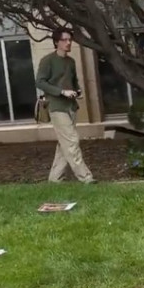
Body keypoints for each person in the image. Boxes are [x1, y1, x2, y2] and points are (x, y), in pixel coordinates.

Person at [36, 28, 95, 184]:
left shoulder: (71, 61)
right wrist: (61, 92)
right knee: (72, 141)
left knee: (64, 144)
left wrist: (77, 91)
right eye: (65, 40)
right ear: (57, 42)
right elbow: (40, 82)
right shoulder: (47, 60)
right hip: (56, 107)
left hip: (71, 107)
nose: (68, 43)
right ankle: (86, 178)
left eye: (70, 40)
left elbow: (74, 81)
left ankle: (55, 179)